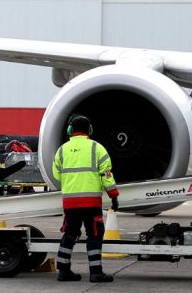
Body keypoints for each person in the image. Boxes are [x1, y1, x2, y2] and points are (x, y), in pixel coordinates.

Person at [52, 115, 119, 283]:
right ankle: (96, 272)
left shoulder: (62, 150)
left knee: (70, 234)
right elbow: (107, 176)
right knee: (95, 235)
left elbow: (56, 174)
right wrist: (114, 196)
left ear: (70, 130)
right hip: (91, 203)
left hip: (70, 203)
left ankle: (63, 271)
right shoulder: (97, 148)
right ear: (89, 130)